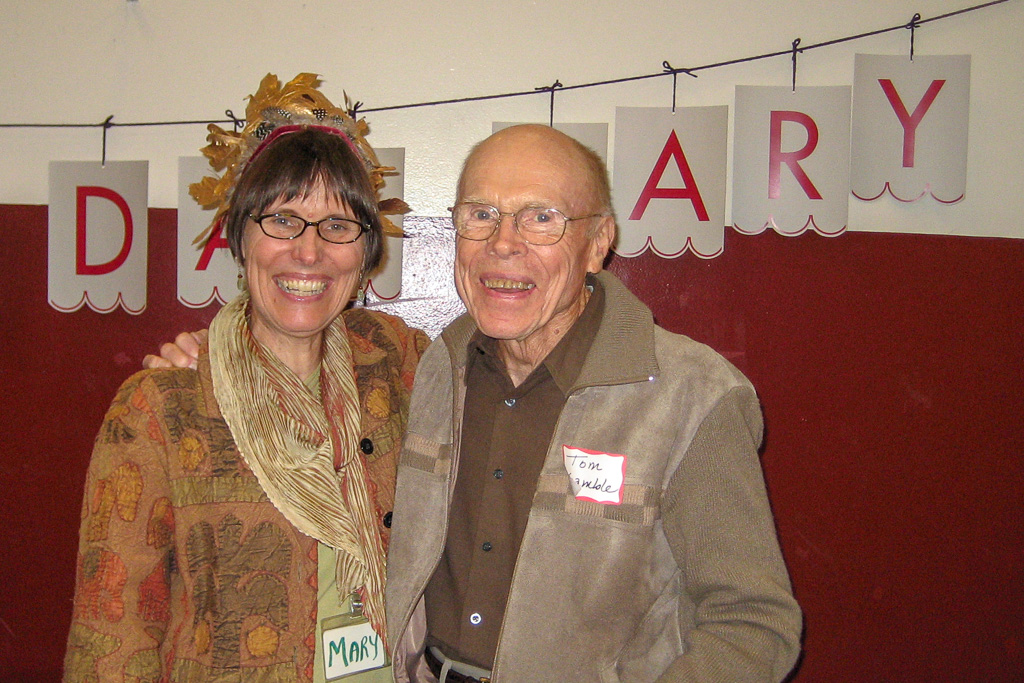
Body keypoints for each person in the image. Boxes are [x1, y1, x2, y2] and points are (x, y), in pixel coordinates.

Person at [384, 124, 802, 682]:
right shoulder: (440, 367)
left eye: (540, 218)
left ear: (598, 243)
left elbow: (753, 622)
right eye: (480, 214)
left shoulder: (693, 395)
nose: (502, 243)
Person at [63, 74, 428, 682]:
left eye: (338, 226)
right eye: (282, 219)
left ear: (365, 252)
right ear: (238, 235)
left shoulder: (399, 366)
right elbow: (112, 638)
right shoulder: (162, 408)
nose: (308, 253)